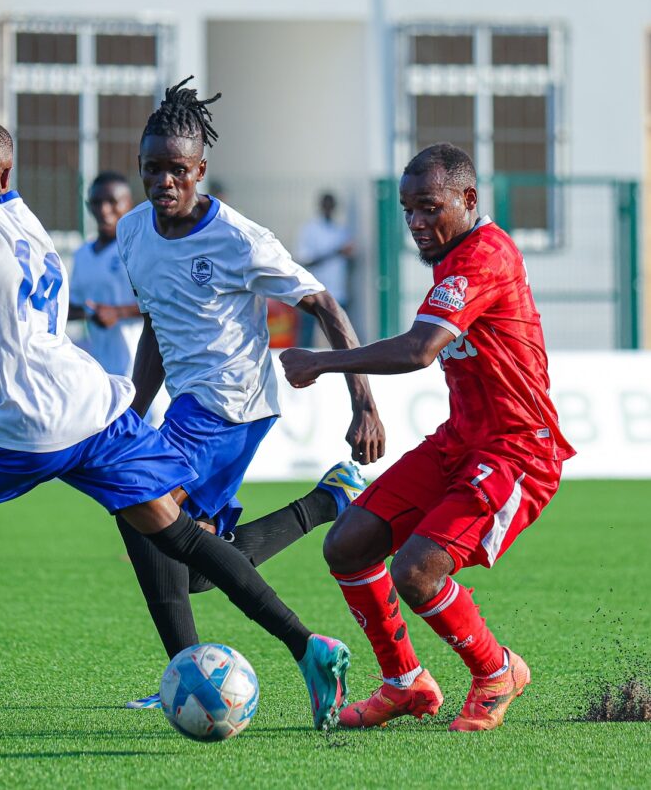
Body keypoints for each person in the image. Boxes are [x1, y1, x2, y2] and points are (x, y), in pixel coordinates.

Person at [0, 119, 353, 732]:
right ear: (10, 175)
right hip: (94, 406)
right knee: (177, 538)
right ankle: (306, 644)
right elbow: (13, 337)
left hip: (31, 423)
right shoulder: (27, 223)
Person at [281, 143, 575, 732]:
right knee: (348, 544)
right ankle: (406, 683)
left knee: (416, 571)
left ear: (468, 200)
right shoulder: (450, 253)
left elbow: (419, 350)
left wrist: (322, 361)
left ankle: (497, 671)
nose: (416, 223)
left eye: (429, 207)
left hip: (519, 450)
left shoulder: (485, 255)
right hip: (460, 442)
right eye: (407, 209)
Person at [115, 78, 386, 709]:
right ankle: (328, 501)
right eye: (152, 169)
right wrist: (132, 412)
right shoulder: (134, 234)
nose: (164, 183)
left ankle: (196, 672)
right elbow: (157, 322)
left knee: (138, 503)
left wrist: (363, 401)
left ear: (201, 169)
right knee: (189, 564)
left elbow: (322, 301)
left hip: (231, 404)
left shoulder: (239, 239)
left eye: (177, 171)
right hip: (188, 406)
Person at [68, 171, 142, 376]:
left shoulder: (140, 249)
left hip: (140, 369)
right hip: (102, 371)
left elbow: (161, 304)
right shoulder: (82, 254)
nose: (104, 210)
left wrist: (117, 313)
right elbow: (77, 306)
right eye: (96, 202)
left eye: (112, 201)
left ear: (129, 203)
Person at [295, 192, 354, 347]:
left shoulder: (340, 230)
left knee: (340, 333)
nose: (329, 209)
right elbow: (306, 261)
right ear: (320, 207)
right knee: (307, 335)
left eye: (331, 206)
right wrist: (336, 252)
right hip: (314, 290)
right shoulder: (310, 230)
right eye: (326, 206)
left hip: (338, 291)